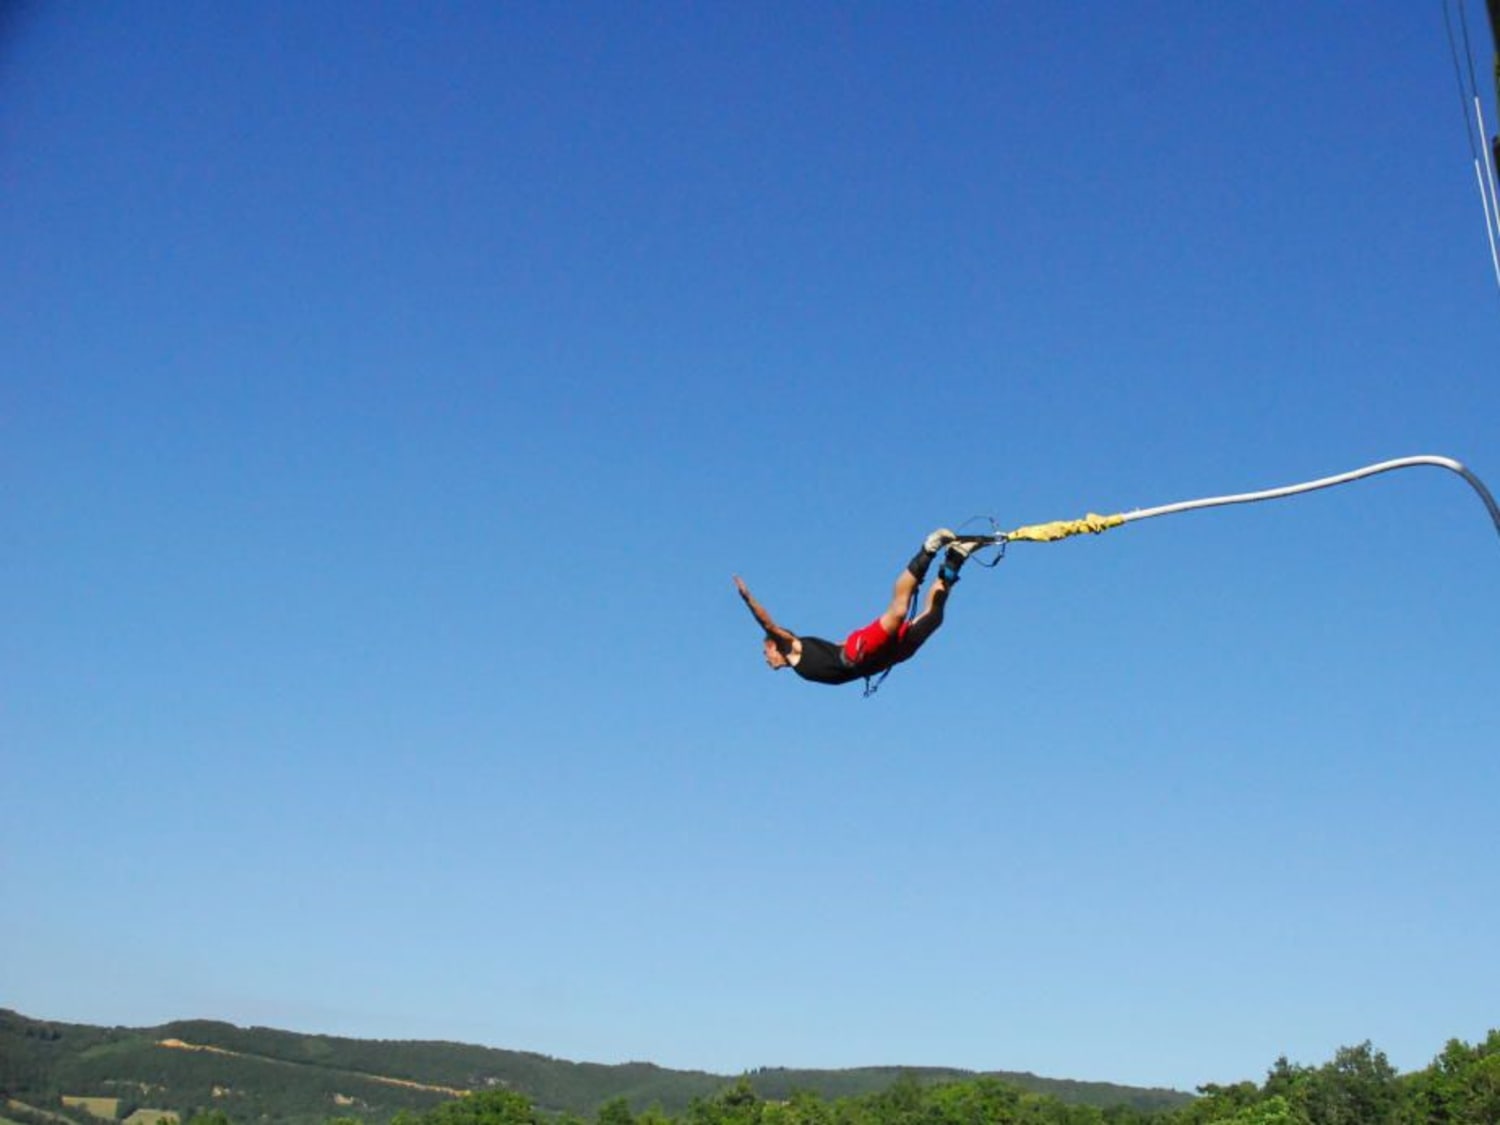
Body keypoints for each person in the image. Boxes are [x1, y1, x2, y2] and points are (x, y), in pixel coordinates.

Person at [733, 529, 983, 688]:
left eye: (766, 653)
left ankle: (928, 549)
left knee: (897, 612)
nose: (766, 660)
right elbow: (835, 646)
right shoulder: (801, 654)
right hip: (878, 660)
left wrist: (748, 599)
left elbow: (766, 623)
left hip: (859, 653)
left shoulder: (790, 646)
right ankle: (954, 560)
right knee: (933, 619)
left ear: (772, 645)